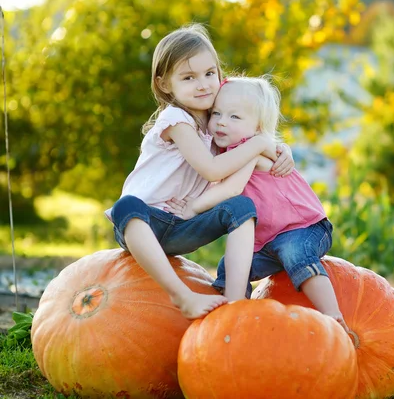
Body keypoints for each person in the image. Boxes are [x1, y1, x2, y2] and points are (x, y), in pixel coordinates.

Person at [106, 25, 295, 319]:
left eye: (210, 73)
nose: (203, 84)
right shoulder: (176, 120)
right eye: (189, 77)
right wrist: (261, 143)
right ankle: (182, 296)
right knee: (126, 205)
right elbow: (211, 169)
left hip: (183, 224)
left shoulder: (216, 119)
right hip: (144, 224)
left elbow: (249, 126)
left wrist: (278, 148)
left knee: (242, 207)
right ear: (165, 84)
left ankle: (234, 304)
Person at [169, 76, 348, 331]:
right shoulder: (224, 152)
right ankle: (230, 316)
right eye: (217, 113)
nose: (221, 121)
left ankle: (333, 316)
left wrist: (192, 208)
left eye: (235, 117)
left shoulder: (250, 148)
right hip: (266, 242)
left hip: (303, 229)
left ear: (258, 128)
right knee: (231, 266)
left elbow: (231, 188)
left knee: (294, 253)